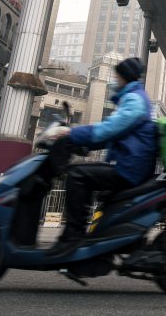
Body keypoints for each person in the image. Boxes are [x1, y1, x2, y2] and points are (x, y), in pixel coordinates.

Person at [46, 57, 157, 257]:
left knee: (77, 175)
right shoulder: (132, 98)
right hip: (130, 165)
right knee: (82, 173)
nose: (114, 79)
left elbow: (110, 129)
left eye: (116, 75)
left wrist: (71, 134)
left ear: (125, 77)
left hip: (130, 169)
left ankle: (73, 237)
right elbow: (112, 135)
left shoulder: (135, 100)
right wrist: (81, 141)